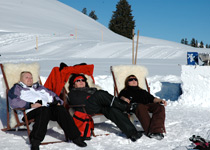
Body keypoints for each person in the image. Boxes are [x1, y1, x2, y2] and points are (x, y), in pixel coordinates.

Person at [8, 71, 87, 150]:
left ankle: (75, 137)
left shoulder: (39, 87)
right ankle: (35, 140)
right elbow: (13, 102)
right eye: (26, 77)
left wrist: (58, 102)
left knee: (60, 109)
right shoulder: (17, 88)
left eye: (31, 77)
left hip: (47, 108)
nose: (30, 79)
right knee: (43, 110)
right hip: (29, 111)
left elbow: (54, 96)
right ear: (21, 79)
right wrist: (30, 105)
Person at [67, 74, 142, 142]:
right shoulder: (73, 92)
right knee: (100, 93)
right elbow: (77, 102)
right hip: (85, 108)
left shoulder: (91, 90)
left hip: (97, 106)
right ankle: (126, 106)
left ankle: (132, 133)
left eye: (83, 80)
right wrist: (93, 97)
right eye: (78, 80)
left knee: (112, 110)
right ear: (74, 84)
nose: (81, 82)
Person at [119, 75, 167, 140]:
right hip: (134, 106)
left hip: (146, 105)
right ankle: (151, 132)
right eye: (131, 80)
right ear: (127, 82)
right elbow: (120, 98)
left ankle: (157, 130)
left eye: (135, 79)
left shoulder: (142, 91)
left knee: (159, 107)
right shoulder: (125, 91)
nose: (133, 81)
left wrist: (160, 100)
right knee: (140, 106)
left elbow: (152, 99)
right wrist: (124, 98)